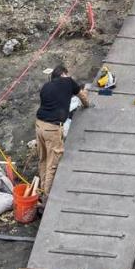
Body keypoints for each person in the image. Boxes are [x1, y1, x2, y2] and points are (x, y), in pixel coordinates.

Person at [35, 59, 90, 198]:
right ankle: (47, 196)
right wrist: (87, 105)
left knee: (43, 158)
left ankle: (41, 188)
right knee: (52, 163)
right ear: (64, 74)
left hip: (39, 125)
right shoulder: (68, 81)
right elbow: (82, 96)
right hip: (52, 129)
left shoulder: (46, 86)